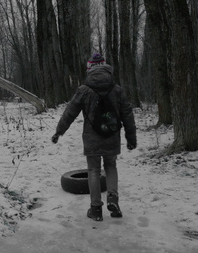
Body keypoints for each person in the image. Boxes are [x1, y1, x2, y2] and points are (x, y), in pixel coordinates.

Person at [51, 53, 136, 221]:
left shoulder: (84, 89)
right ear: (105, 67)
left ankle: (96, 209)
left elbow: (70, 112)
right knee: (111, 166)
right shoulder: (117, 89)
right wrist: (131, 138)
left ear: (89, 69)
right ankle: (113, 198)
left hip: (92, 138)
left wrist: (59, 131)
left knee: (93, 170)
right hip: (112, 135)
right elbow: (127, 114)